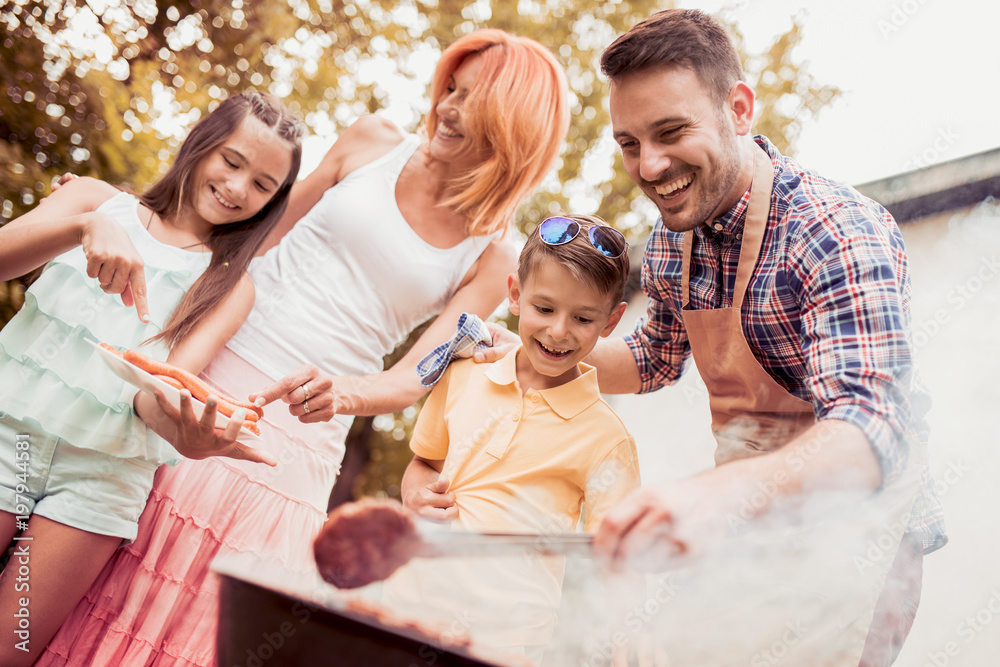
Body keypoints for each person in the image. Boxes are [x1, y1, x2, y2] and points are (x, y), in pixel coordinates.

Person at [37, 29, 569, 667]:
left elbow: (412, 376)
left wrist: (343, 395)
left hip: (298, 436)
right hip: (208, 365)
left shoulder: (492, 253)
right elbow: (248, 235)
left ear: (513, 126)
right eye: (450, 87)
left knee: (206, 624)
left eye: (473, 99)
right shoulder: (372, 141)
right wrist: (131, 217)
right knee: (99, 566)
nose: (447, 107)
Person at [477, 9, 945, 665]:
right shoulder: (674, 242)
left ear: (740, 108)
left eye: (671, 131)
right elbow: (651, 360)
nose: (651, 164)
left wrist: (714, 494)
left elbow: (871, 427)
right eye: (630, 143)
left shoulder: (832, 229)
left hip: (861, 531)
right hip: (750, 522)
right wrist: (534, 351)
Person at [0, 91, 303, 666]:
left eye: (263, 185)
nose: (239, 189)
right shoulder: (93, 200)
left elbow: (156, 392)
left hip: (97, 482)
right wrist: (83, 226)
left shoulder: (229, 287)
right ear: (201, 143)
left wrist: (192, 433)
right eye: (232, 162)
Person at [384, 214, 640, 662]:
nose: (558, 331)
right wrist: (415, 493)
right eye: (545, 309)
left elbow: (618, 560)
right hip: (407, 609)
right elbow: (424, 463)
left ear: (611, 321)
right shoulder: (463, 376)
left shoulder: (607, 439)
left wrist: (622, 643)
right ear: (515, 295)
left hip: (506, 643)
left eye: (582, 317)